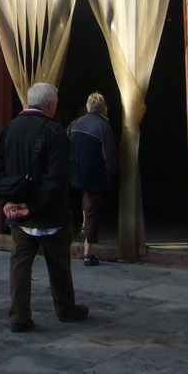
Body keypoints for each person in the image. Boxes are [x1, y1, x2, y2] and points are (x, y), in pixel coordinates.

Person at [0, 82, 88, 333]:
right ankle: (66, 310)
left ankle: (19, 316)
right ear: (50, 104)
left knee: (20, 264)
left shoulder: (9, 129)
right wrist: (32, 207)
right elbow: (55, 179)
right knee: (59, 263)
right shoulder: (55, 131)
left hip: (17, 214)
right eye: (56, 101)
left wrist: (6, 203)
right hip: (49, 212)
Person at [68, 91, 117, 267]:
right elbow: (109, 157)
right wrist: (110, 177)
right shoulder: (104, 127)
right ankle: (88, 253)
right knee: (92, 211)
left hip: (74, 174)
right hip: (94, 175)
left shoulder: (75, 124)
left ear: (88, 106)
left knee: (84, 206)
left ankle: (80, 230)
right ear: (104, 108)